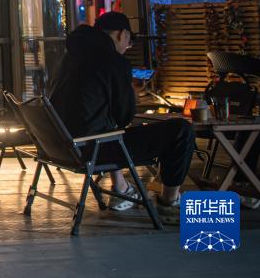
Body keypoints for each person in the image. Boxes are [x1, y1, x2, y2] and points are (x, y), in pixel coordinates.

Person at [49, 11, 195, 214]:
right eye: (129, 40)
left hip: (59, 148)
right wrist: (129, 91)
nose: (127, 46)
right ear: (121, 34)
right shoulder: (114, 61)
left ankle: (121, 188)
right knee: (181, 130)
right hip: (92, 151)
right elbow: (125, 116)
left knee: (106, 127)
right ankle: (169, 199)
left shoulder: (67, 59)